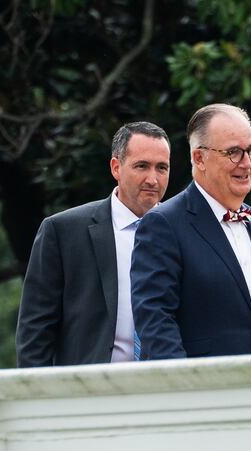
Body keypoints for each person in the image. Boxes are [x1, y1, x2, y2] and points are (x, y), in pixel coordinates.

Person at [131, 103, 251, 359]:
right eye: (234, 152)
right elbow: (156, 322)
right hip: (201, 393)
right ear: (199, 158)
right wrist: (191, 392)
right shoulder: (163, 224)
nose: (246, 163)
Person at [16, 121, 171, 366]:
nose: (153, 179)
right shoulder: (63, 232)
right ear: (116, 167)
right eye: (142, 166)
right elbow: (35, 331)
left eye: (162, 168)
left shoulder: (185, 232)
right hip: (88, 390)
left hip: (168, 388)